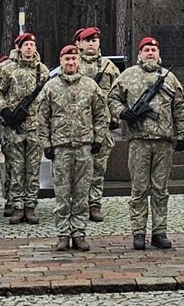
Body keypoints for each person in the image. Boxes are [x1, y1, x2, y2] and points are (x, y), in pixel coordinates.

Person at [107, 36, 184, 250]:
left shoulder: (170, 79)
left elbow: (180, 107)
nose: (150, 53)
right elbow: (112, 99)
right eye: (146, 50)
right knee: (139, 189)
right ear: (139, 53)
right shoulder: (128, 75)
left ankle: (159, 232)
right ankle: (139, 233)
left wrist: (182, 135)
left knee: (160, 190)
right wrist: (123, 113)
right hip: (139, 141)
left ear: (158, 53)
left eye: (153, 49)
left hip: (163, 142)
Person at [38, 42, 110, 251]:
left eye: (73, 58)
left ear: (79, 61)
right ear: (61, 61)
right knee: (62, 194)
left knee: (81, 194)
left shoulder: (90, 86)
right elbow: (42, 118)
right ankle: (63, 234)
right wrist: (46, 143)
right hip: (61, 148)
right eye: (67, 59)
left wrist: (98, 139)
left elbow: (101, 114)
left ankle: (79, 233)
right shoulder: (51, 87)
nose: (70, 62)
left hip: (84, 147)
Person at [0, 31, 51, 224]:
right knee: (16, 169)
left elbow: (48, 98)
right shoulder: (7, 69)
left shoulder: (43, 70)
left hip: (35, 128)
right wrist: (4, 110)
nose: (29, 48)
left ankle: (30, 206)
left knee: (33, 170)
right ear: (18, 47)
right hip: (13, 128)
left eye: (32, 45)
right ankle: (17, 206)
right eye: (26, 45)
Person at [74, 26, 119, 221]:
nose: (91, 44)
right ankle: (79, 203)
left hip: (102, 126)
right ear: (79, 44)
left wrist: (115, 119)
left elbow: (117, 94)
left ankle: (95, 204)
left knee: (99, 167)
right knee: (79, 168)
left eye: (94, 40)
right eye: (87, 40)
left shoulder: (109, 67)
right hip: (78, 126)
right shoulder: (73, 63)